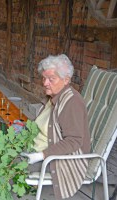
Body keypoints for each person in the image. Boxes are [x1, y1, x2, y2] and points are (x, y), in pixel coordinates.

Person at [21, 54, 91, 199]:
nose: (45, 83)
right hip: (34, 149)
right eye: (43, 78)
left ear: (66, 80)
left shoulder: (72, 102)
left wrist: (40, 155)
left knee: (8, 168)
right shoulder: (51, 97)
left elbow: (74, 140)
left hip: (56, 160)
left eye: (51, 79)